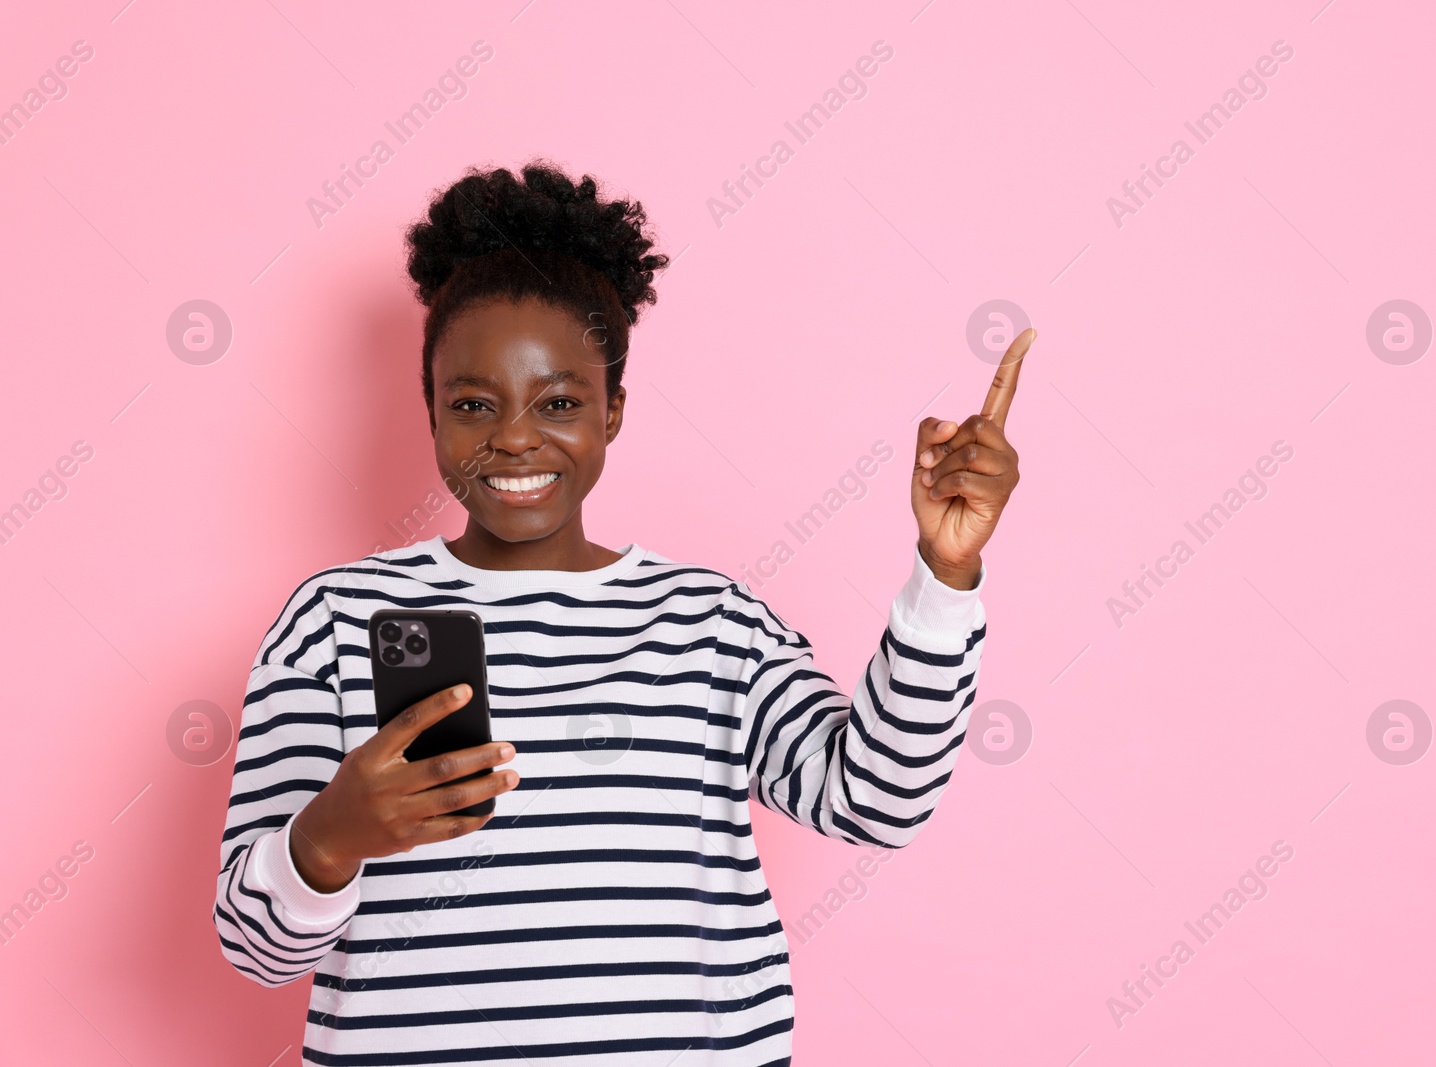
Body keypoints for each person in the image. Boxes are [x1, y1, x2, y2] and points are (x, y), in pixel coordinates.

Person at [213, 158, 1032, 1066]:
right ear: (430, 414)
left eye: (559, 401)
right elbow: (253, 950)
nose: (515, 436)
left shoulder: (712, 623)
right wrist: (330, 835)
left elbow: (876, 796)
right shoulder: (333, 620)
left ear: (613, 413)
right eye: (473, 403)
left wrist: (944, 572)